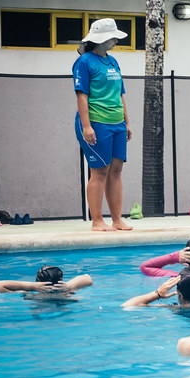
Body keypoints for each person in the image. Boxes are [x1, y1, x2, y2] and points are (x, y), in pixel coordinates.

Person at [74, 18, 133, 232]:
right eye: (113, 36)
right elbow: (82, 95)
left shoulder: (113, 61)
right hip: (97, 122)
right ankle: (97, 220)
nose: (116, 40)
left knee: (116, 170)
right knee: (99, 171)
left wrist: (126, 122)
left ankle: (117, 219)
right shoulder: (84, 62)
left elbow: (120, 94)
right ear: (100, 39)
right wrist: (86, 126)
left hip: (116, 123)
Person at [0, 265, 92, 295]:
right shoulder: (69, 292)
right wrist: (69, 286)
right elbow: (88, 278)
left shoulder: (32, 296)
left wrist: (31, 287)